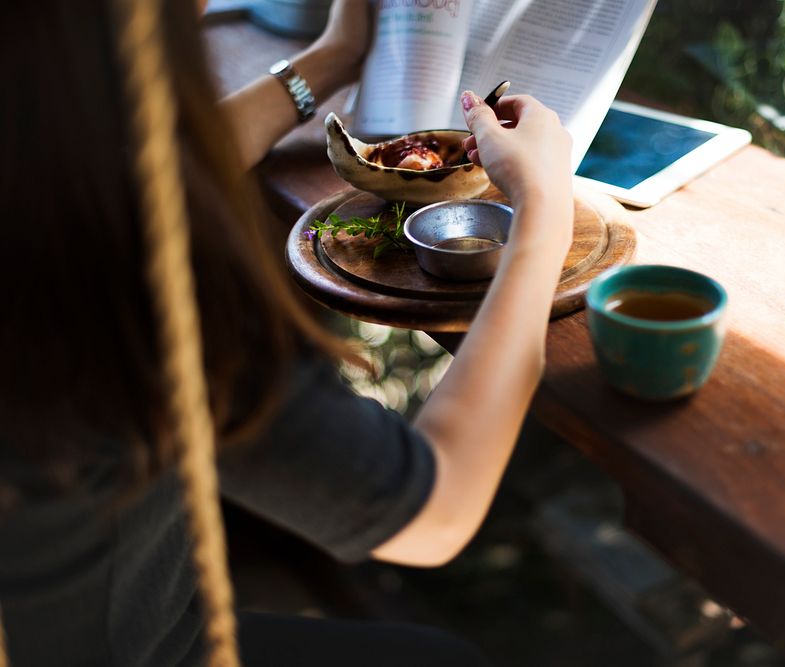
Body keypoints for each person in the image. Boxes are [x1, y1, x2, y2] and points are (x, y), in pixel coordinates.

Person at [0, 0, 573, 665]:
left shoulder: (40, 180)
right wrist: (542, 208)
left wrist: (334, 56)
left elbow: (148, 166)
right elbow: (438, 510)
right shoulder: (106, 277)